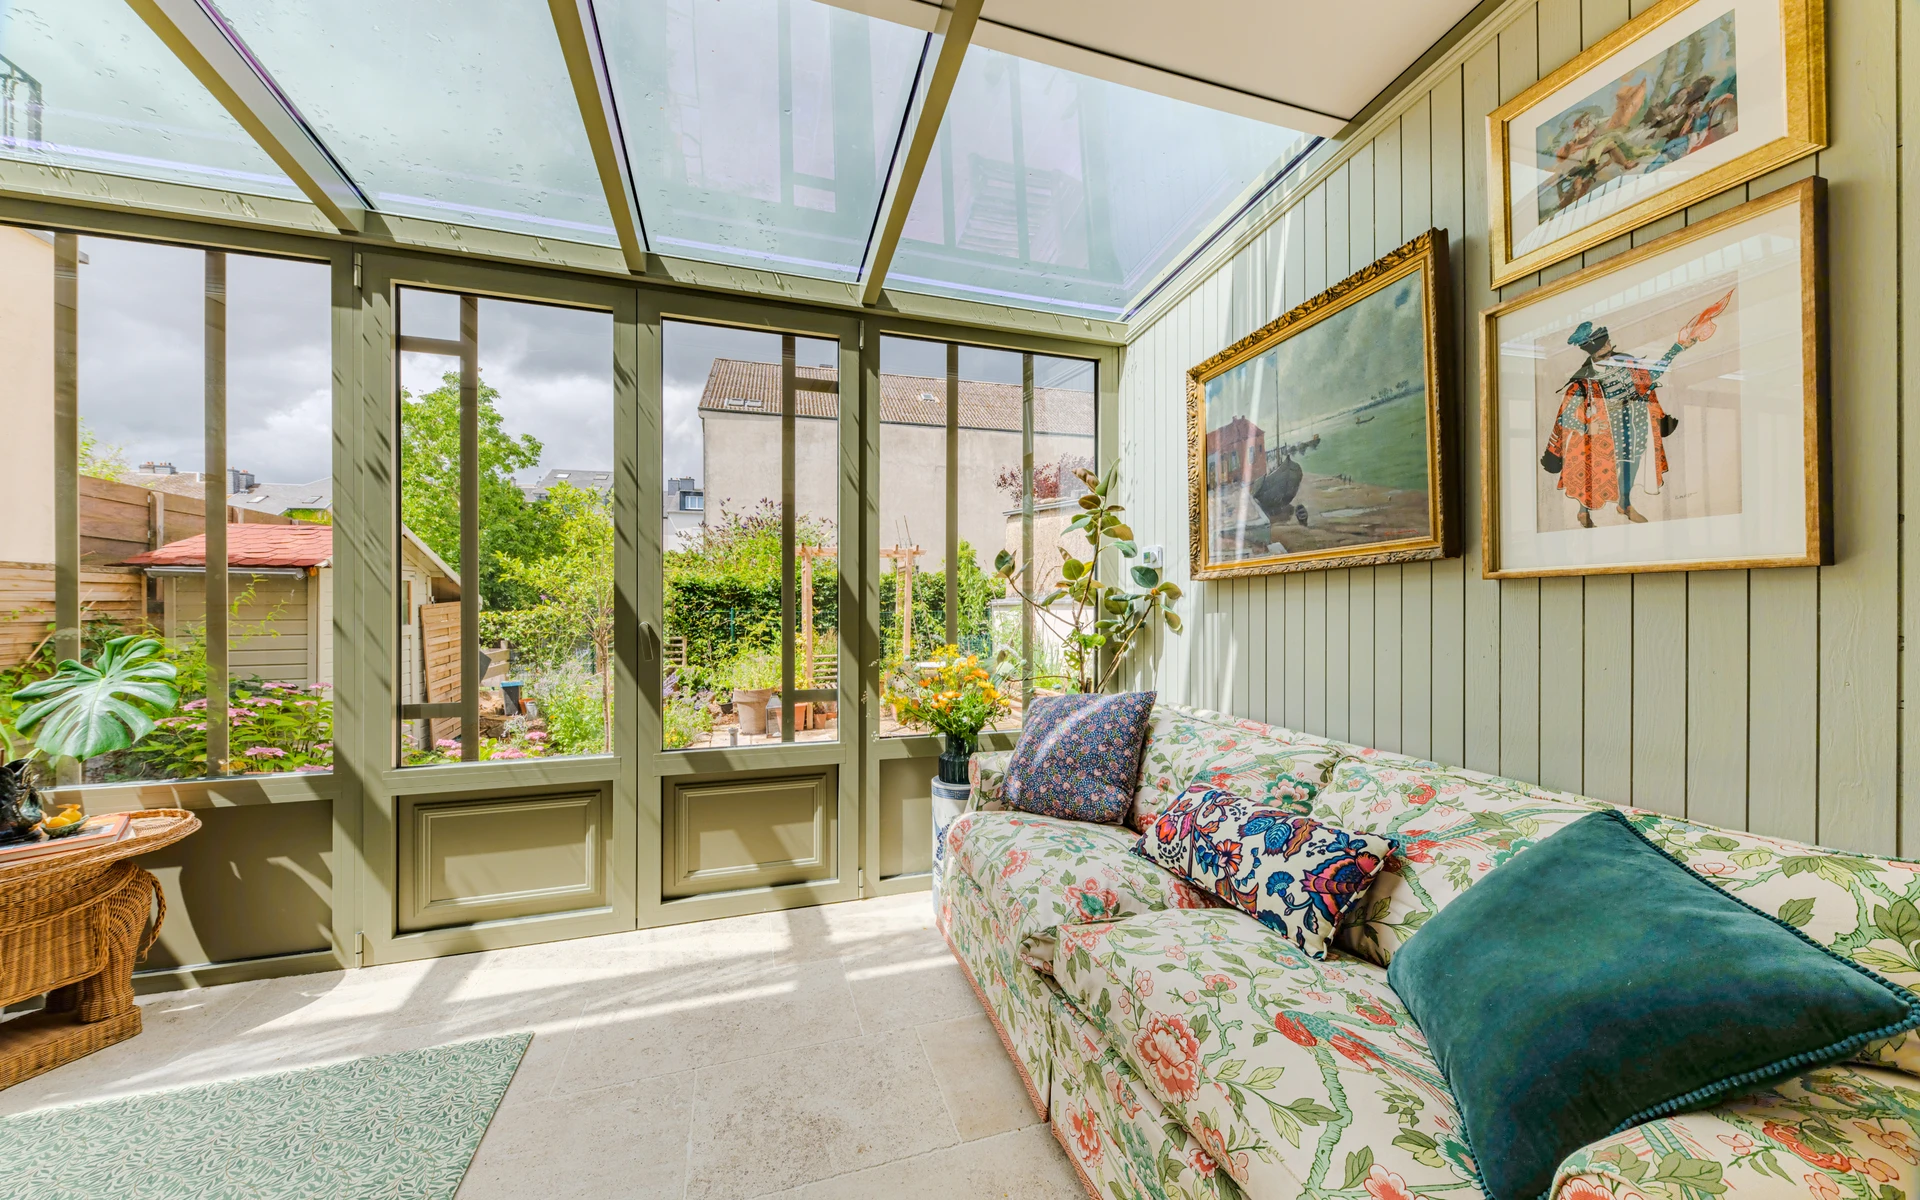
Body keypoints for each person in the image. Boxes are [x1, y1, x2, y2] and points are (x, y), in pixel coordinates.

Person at [1540, 320, 1695, 527]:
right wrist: (1586, 427)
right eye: (1604, 344)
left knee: (1631, 465)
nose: (1609, 345)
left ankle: (1625, 504)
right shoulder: (1583, 380)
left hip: (1635, 425)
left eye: (1608, 342)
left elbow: (1650, 376)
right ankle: (1583, 511)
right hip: (1602, 434)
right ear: (1595, 351)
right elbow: (1565, 417)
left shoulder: (1627, 364)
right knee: (1592, 470)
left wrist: (1677, 348)